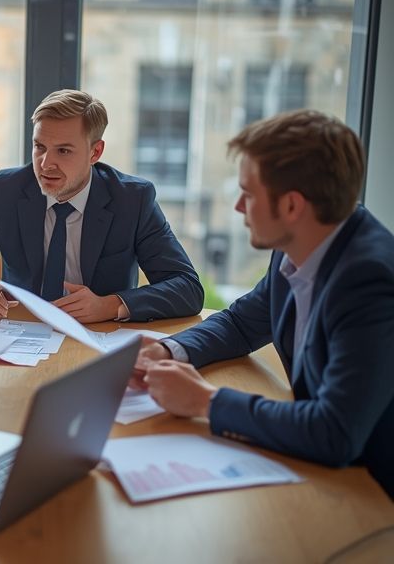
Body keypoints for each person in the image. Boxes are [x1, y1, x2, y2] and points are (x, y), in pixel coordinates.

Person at [136, 110, 394, 497]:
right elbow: (243, 323)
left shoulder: (368, 281)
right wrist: (169, 350)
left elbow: (335, 433)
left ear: (292, 206)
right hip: (319, 470)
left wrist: (206, 400)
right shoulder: (304, 240)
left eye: (249, 193)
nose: (239, 207)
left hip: (369, 491)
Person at [0, 89, 203, 323]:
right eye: (39, 147)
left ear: (95, 152)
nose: (45, 164)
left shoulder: (132, 200)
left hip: (97, 336)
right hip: (20, 334)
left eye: (63, 151)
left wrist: (107, 305)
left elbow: (187, 288)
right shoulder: (7, 190)